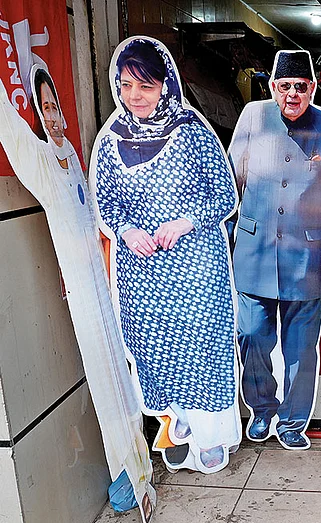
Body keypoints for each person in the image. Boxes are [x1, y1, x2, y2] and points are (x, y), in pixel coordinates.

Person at [0, 65, 156, 523]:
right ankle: (124, 474)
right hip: (83, 296)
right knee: (105, 386)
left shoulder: (70, 151)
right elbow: (11, 128)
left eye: (55, 107)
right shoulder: (43, 162)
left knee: (123, 377)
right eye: (44, 108)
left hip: (104, 283)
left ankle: (140, 464)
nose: (52, 116)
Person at [93, 37, 240, 473]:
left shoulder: (191, 132)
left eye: (145, 87)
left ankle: (210, 437)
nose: (134, 97)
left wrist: (186, 221)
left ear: (165, 85)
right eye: (125, 86)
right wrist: (126, 228)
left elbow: (225, 194)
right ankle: (178, 425)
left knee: (201, 348)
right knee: (155, 350)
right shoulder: (111, 140)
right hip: (141, 272)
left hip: (196, 267)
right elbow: (106, 200)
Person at [228, 50, 321, 450]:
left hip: (308, 261)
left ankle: (292, 422)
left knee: (301, 350)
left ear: (313, 89)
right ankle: (262, 407)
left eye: (301, 87)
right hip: (254, 254)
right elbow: (230, 183)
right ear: (272, 87)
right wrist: (228, 242)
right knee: (251, 336)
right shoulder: (253, 117)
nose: (293, 94)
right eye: (285, 86)